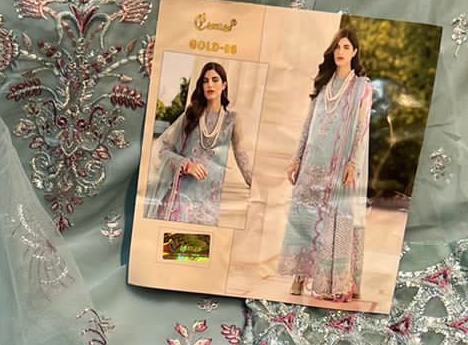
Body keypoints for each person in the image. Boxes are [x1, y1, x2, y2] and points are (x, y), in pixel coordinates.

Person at [278, 27, 373, 301]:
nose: (340, 51)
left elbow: (361, 127)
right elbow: (308, 124)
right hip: (311, 163)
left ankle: (331, 281)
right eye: (337, 47)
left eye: (346, 47)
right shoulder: (323, 85)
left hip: (339, 165)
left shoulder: (362, 87)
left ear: (354, 52)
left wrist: (352, 163)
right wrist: (296, 158)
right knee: (303, 218)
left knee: (335, 219)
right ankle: (299, 275)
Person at [149, 61, 253, 225]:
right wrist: (186, 164)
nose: (210, 84)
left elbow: (241, 155)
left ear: (224, 85)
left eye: (215, 80)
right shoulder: (191, 115)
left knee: (199, 241)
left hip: (209, 205)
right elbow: (163, 149)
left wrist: (257, 185)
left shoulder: (232, 120)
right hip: (180, 200)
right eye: (205, 81)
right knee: (171, 241)